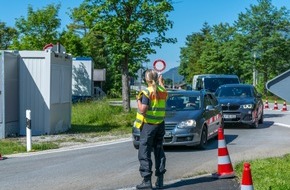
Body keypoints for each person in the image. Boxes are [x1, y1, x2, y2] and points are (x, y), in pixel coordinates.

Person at [136, 69, 168, 189]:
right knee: (159, 151)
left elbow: (143, 109)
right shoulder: (163, 91)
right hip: (160, 125)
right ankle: (160, 181)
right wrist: (161, 82)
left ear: (146, 79)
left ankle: (146, 181)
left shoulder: (146, 92)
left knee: (144, 152)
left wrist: (138, 101)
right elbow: (162, 91)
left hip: (149, 126)